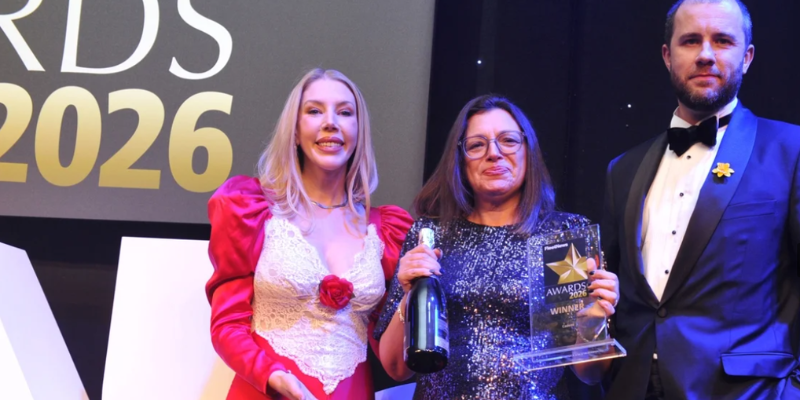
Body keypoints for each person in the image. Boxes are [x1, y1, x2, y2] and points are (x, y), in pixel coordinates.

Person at [601, 1, 800, 399]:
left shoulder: (791, 150)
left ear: (746, 57)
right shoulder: (622, 169)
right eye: (690, 40)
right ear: (667, 55)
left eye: (722, 40)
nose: (705, 54)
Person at [374, 95, 619, 399]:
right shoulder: (431, 235)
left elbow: (590, 374)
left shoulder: (562, 235)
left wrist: (595, 318)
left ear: (528, 150)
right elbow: (396, 368)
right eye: (477, 145)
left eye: (508, 140)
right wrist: (408, 296)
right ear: (460, 159)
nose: (494, 153)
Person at [205, 68, 413, 400]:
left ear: (358, 131)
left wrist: (409, 296)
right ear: (295, 130)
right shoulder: (252, 211)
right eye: (314, 111)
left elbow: (394, 361)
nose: (330, 122)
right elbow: (227, 325)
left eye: (345, 112)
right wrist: (271, 375)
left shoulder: (386, 231)